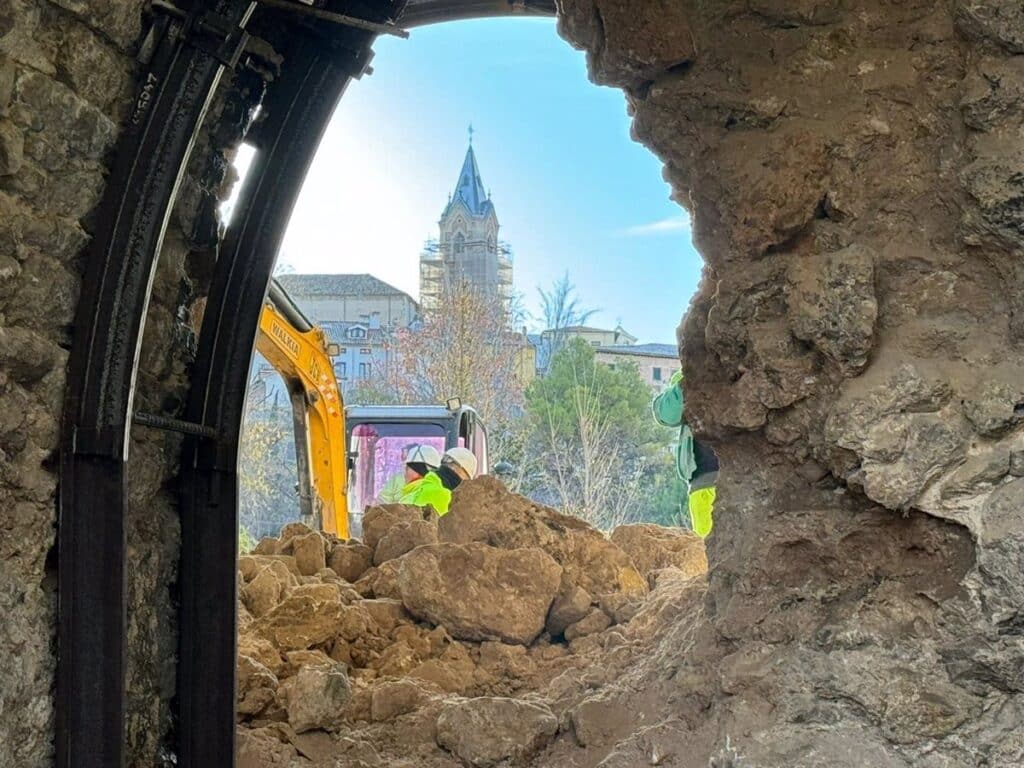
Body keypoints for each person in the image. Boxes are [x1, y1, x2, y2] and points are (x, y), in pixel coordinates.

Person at [652, 369, 718, 538]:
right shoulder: (691, 373)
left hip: (739, 480)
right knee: (710, 550)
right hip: (706, 482)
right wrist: (688, 380)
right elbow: (667, 414)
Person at [397, 444, 452, 515]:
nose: (405, 474)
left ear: (417, 470)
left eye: (407, 468)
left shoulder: (407, 500)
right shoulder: (448, 495)